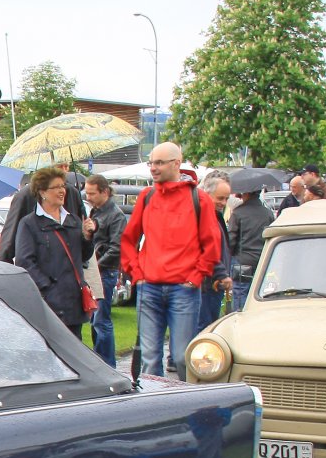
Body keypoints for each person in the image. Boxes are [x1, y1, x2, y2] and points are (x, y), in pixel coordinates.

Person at [119, 142, 221, 379]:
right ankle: (153, 400)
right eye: (151, 163)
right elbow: (129, 239)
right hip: (150, 287)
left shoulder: (199, 199)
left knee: (182, 358)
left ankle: (183, 400)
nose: (153, 168)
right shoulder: (147, 196)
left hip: (183, 289)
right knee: (149, 359)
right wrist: (137, 274)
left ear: (176, 163)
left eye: (159, 163)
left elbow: (212, 244)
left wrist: (195, 277)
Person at [14, 166, 90, 334]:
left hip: (73, 302)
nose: (62, 191)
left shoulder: (74, 221)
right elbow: (24, 261)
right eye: (56, 187)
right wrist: (47, 287)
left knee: (74, 347)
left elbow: (84, 256)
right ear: (42, 192)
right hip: (49, 303)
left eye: (63, 186)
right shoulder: (29, 224)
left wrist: (87, 237)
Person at [83, 174, 126, 366]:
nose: (88, 197)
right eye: (87, 193)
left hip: (105, 272)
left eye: (92, 193)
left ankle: (107, 364)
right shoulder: (96, 211)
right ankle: (100, 361)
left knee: (101, 320)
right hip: (97, 271)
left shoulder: (115, 215)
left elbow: (116, 248)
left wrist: (96, 268)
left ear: (105, 192)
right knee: (95, 320)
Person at [197, 173, 233, 329]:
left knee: (209, 327)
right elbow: (206, 248)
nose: (223, 203)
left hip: (213, 284)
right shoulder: (202, 216)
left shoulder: (214, 216)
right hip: (206, 285)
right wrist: (221, 274)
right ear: (206, 194)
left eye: (226, 199)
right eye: (220, 198)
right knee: (204, 330)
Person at [228, 186, 273, 311]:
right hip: (263, 260)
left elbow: (231, 241)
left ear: (247, 193)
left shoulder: (238, 213)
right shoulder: (268, 213)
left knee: (240, 294)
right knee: (261, 294)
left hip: (242, 261)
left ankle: (240, 318)